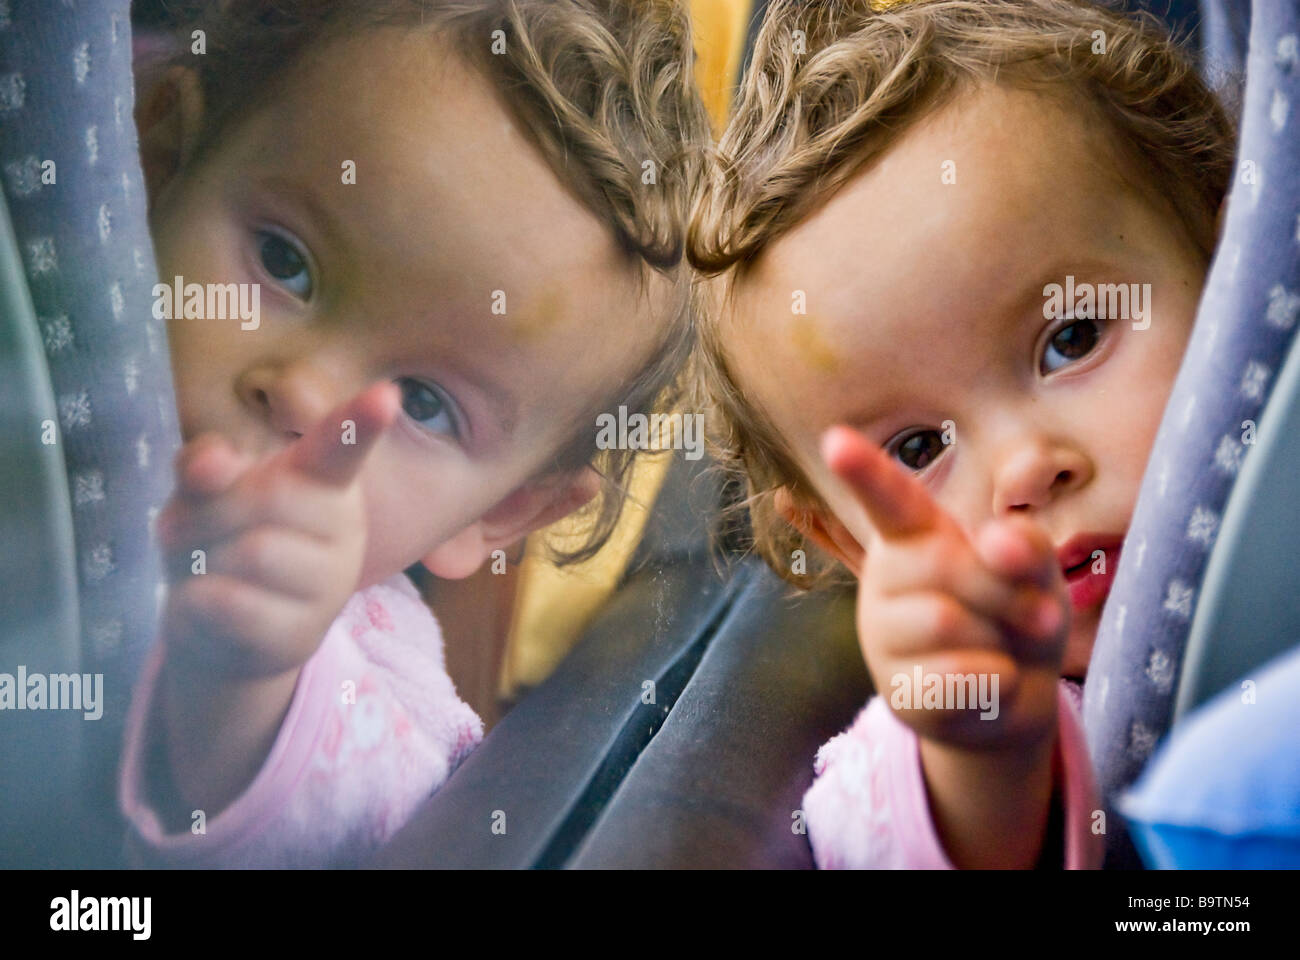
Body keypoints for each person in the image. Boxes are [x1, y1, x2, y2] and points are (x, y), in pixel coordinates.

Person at [118, 0, 711, 868]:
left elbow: (328, 822)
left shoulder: (388, 699)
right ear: (160, 160)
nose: (309, 398)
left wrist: (247, 684)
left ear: (504, 509)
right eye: (286, 262)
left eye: (424, 403)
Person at [688, 0, 1234, 868]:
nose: (1024, 468)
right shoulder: (936, 733)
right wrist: (983, 756)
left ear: (1225, 265)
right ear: (847, 543)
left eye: (1074, 339)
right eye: (916, 451)